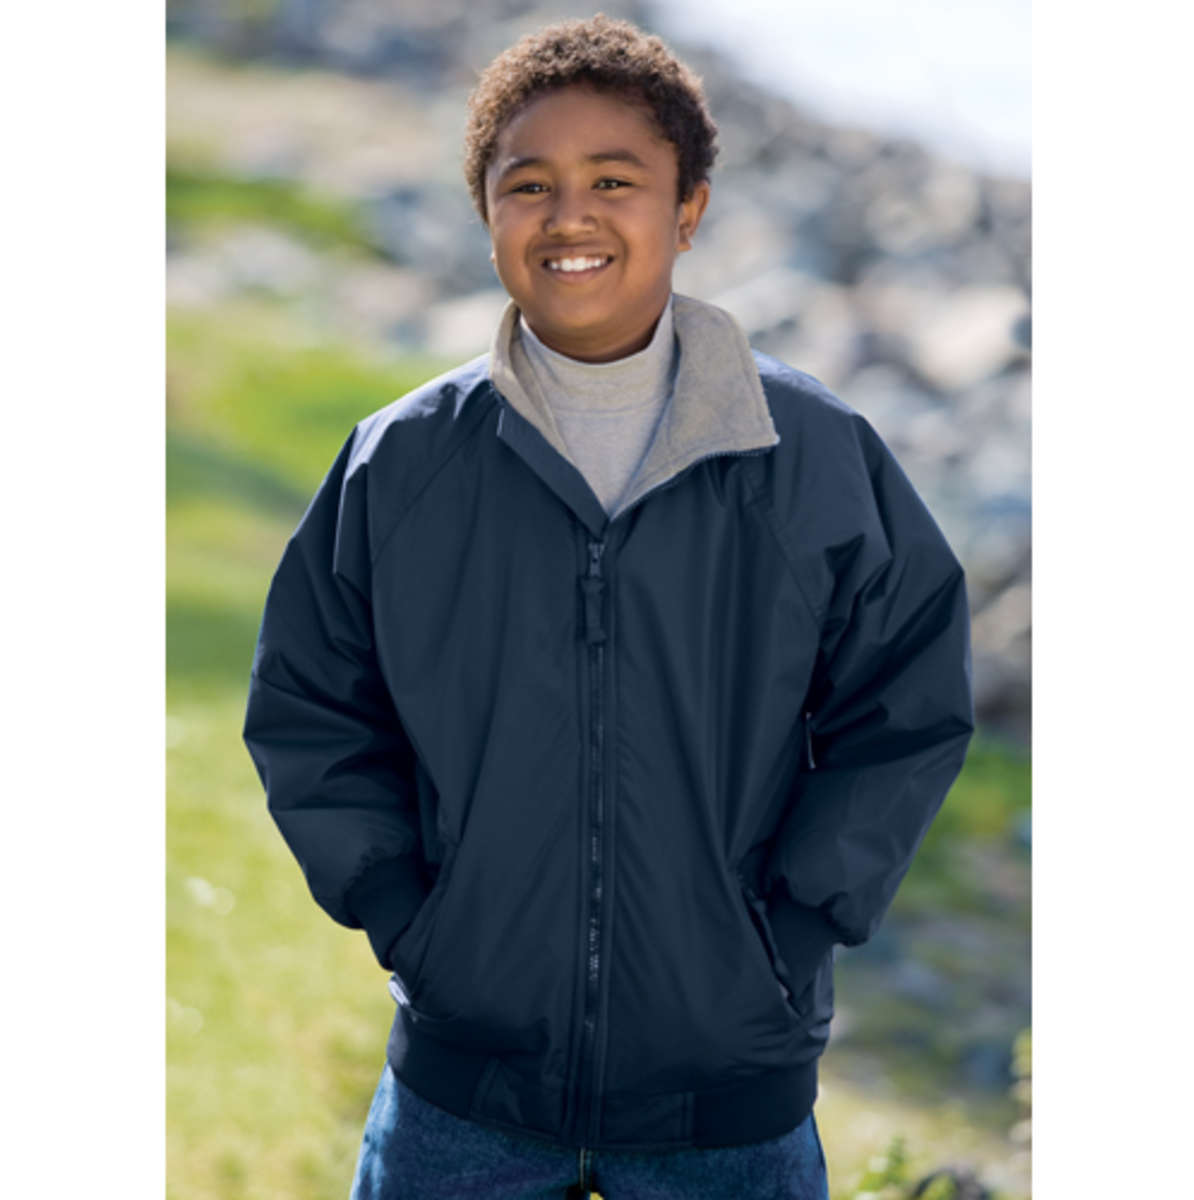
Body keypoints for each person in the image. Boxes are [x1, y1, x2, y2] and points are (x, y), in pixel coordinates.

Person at [242, 14, 974, 1200]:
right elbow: (312, 703)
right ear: (487, 214)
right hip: (461, 1098)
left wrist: (794, 928)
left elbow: (907, 703)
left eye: (615, 181)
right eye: (528, 184)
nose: (569, 215)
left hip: (729, 1099)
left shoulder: (812, 456)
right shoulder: (404, 464)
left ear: (688, 209)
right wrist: (407, 917)